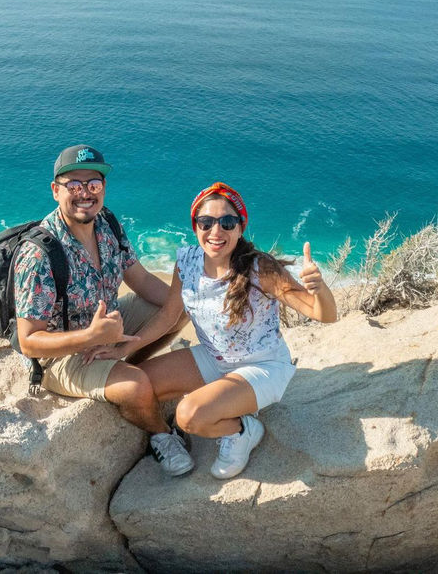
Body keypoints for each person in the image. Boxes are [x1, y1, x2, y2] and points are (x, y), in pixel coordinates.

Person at [14, 144, 194, 475]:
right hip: (62, 357)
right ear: (56, 191)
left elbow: (138, 278)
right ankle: (160, 435)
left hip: (108, 330)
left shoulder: (107, 224)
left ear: (103, 188)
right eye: (74, 185)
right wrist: (90, 336)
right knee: (136, 386)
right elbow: (30, 342)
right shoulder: (39, 254)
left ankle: (120, 363)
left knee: (178, 308)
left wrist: (189, 300)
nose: (85, 193)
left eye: (93, 184)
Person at [138, 181, 337, 480]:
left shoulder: (260, 269)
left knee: (189, 415)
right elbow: (169, 316)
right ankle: (177, 433)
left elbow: (325, 315)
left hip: (263, 367)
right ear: (195, 226)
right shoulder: (187, 262)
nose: (216, 231)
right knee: (140, 385)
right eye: (206, 222)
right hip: (214, 358)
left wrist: (319, 289)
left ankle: (242, 429)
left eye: (227, 222)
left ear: (240, 228)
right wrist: (121, 351)